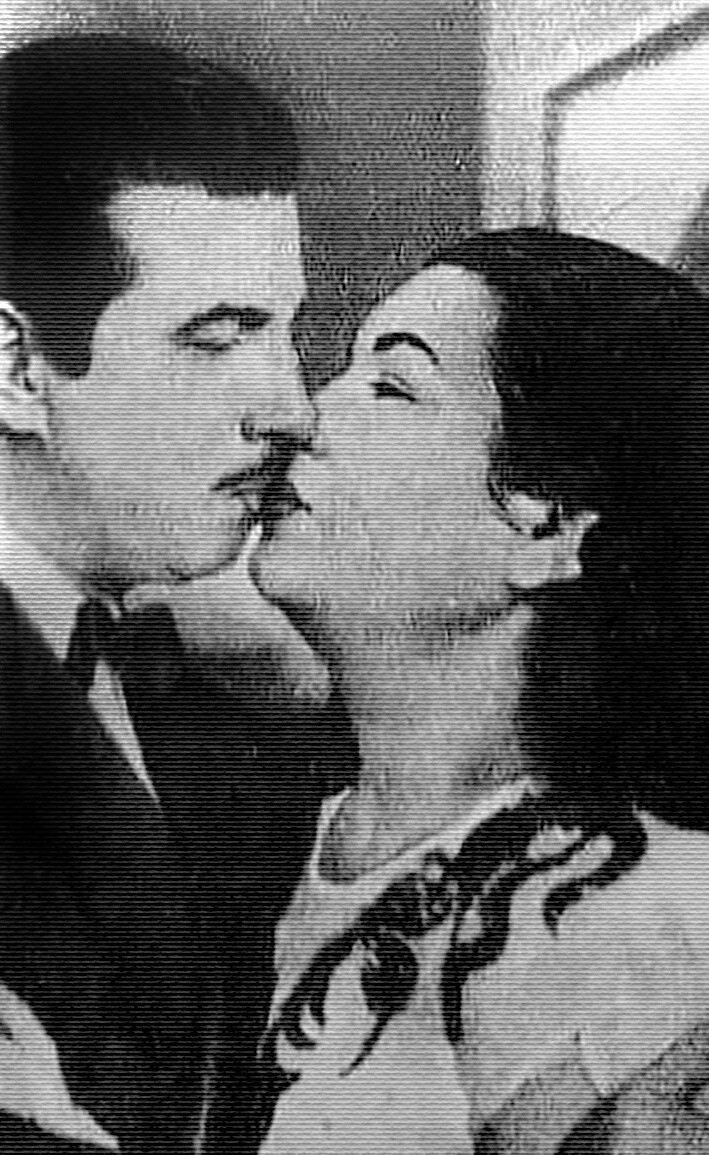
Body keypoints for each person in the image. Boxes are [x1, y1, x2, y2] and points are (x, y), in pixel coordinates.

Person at [250, 228, 709, 1152]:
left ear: (547, 530)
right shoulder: (248, 838)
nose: (301, 415)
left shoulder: (649, 915)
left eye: (392, 386)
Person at [0, 32, 331, 1154]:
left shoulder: (201, 675)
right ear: (16, 369)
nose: (290, 410)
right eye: (216, 339)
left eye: (285, 332)